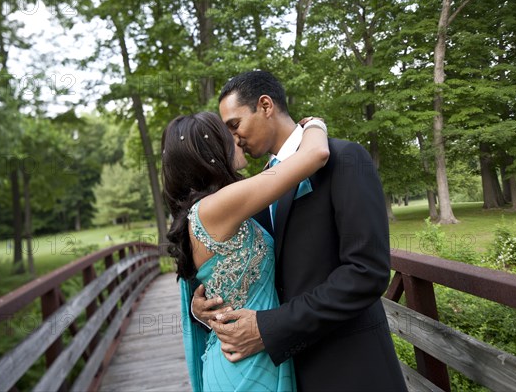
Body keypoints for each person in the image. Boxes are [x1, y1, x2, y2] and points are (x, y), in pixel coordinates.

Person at [193, 70, 408, 391]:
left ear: (265, 106)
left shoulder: (346, 159)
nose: (232, 138)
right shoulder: (261, 185)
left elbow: (367, 272)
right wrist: (203, 306)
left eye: (235, 125)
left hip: (349, 367)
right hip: (284, 373)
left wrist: (268, 328)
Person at [161, 111, 329, 391]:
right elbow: (316, 153)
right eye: (228, 132)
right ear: (211, 150)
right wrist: (314, 124)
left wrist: (197, 308)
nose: (237, 138)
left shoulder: (211, 210)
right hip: (246, 366)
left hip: (246, 355)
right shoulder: (217, 207)